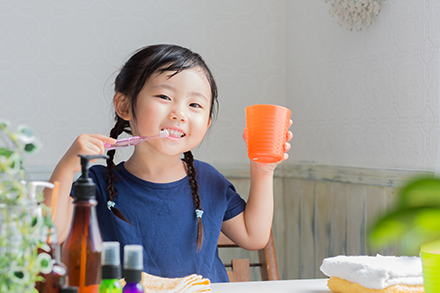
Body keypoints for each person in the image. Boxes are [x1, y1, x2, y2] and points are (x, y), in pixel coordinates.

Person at [44, 44, 293, 283]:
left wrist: (263, 169)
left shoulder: (209, 180)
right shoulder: (97, 183)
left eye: (195, 105)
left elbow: (254, 236)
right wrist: (66, 167)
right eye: (164, 96)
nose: (179, 113)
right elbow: (50, 234)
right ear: (124, 106)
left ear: (206, 123)